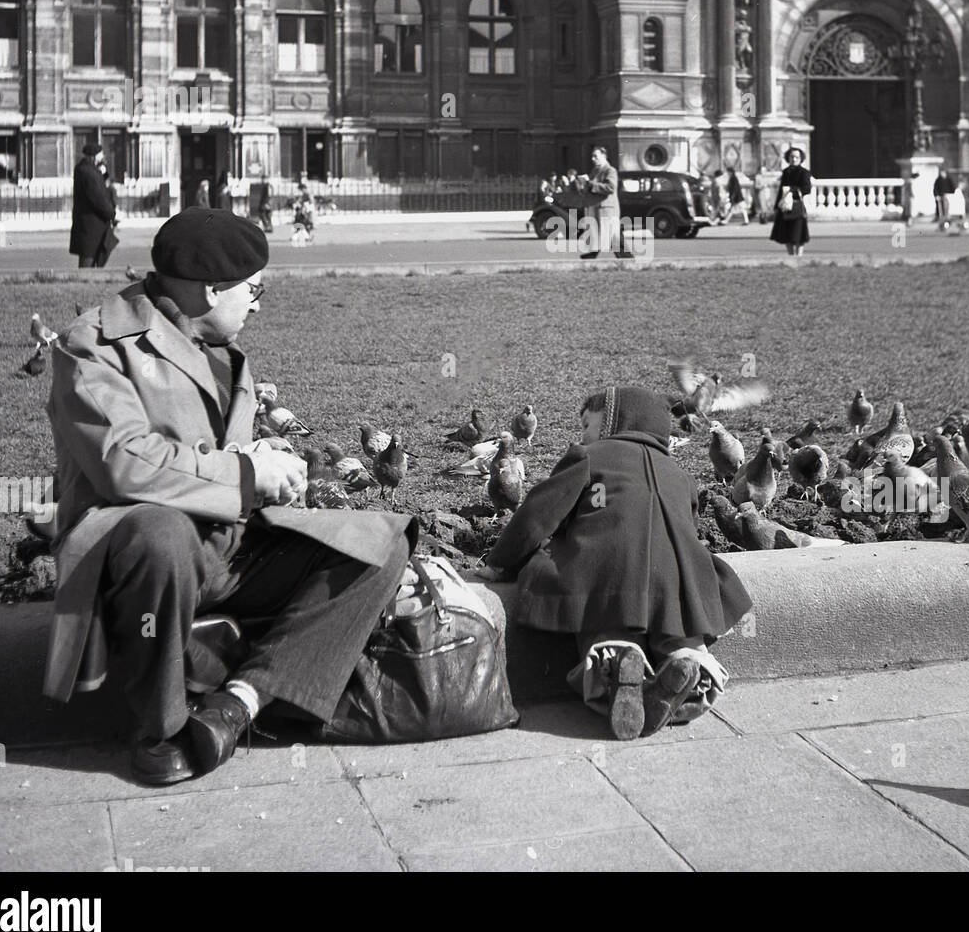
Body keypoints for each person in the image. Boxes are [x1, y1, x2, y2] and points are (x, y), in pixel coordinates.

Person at [43, 208, 416, 784]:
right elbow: (125, 461)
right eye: (254, 289)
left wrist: (276, 468)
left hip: (228, 543)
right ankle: (160, 728)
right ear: (212, 288)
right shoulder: (93, 344)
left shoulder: (216, 345)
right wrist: (246, 474)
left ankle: (237, 703)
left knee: (381, 540)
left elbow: (216, 452)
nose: (259, 304)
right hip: (140, 558)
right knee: (158, 531)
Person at [477, 385, 751, 740]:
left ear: (612, 423)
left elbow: (540, 513)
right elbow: (690, 524)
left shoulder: (590, 457)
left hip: (605, 569)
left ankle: (618, 663)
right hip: (680, 580)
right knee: (681, 632)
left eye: (588, 426)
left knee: (604, 623)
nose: (584, 435)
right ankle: (687, 667)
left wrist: (502, 562)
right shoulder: (679, 475)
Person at [70, 142, 118, 269]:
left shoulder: (88, 170)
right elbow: (98, 198)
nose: (102, 159)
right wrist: (112, 214)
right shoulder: (88, 173)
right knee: (88, 260)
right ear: (94, 156)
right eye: (100, 156)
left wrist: (103, 173)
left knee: (93, 256)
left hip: (92, 224)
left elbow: (104, 187)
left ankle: (89, 282)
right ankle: (85, 284)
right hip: (91, 225)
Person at [579, 145, 622, 259]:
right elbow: (591, 188)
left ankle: (627, 259)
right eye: (592, 156)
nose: (593, 159)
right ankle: (593, 254)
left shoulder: (610, 170)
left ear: (604, 156)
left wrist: (590, 183)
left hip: (607, 209)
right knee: (599, 233)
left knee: (612, 236)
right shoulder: (595, 171)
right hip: (598, 207)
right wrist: (583, 185)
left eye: (595, 156)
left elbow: (610, 187)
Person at [770, 147, 812, 257]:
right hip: (785, 206)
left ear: (801, 159)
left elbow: (807, 188)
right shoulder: (786, 172)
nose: (794, 159)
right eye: (792, 157)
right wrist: (776, 207)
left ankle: (799, 256)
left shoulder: (804, 172)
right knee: (786, 233)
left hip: (797, 204)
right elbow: (780, 190)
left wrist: (792, 191)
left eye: (796, 157)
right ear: (788, 158)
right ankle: (791, 256)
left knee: (798, 233)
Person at [933, 167, 957, 232]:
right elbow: (935, 188)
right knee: (940, 211)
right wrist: (936, 195)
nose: (941, 174)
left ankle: (947, 222)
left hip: (948, 196)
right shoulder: (938, 179)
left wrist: (951, 193)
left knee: (947, 210)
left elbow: (953, 187)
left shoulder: (949, 179)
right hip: (940, 197)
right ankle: (941, 223)